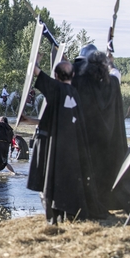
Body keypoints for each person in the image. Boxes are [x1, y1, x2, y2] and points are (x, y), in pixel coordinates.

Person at [24, 59, 106, 225]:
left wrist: (37, 58)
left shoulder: (56, 88)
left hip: (55, 148)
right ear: (73, 75)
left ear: (56, 76)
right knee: (66, 181)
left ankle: (53, 220)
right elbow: (55, 120)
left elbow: (35, 70)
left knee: (50, 181)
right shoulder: (73, 93)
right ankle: (65, 215)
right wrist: (30, 120)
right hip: (72, 148)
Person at [71, 50, 127, 212]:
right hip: (107, 140)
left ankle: (89, 203)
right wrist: (111, 62)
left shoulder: (79, 83)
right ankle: (106, 202)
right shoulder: (112, 83)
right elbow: (116, 73)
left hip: (86, 138)